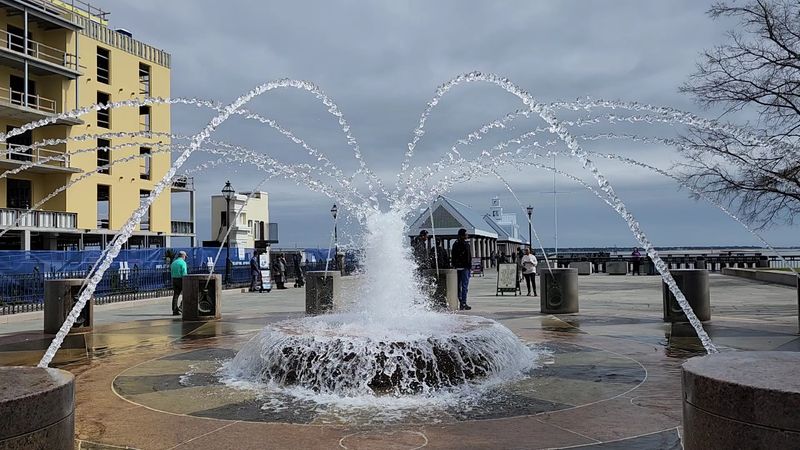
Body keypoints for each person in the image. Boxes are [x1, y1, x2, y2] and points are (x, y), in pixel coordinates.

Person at [451, 228, 472, 310]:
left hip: (457, 267)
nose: (467, 235)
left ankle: (461, 301)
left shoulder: (455, 244)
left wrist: (454, 265)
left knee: (458, 286)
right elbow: (468, 257)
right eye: (466, 234)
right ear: (462, 235)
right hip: (465, 268)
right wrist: (469, 266)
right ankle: (463, 302)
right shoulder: (466, 244)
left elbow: (453, 256)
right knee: (464, 286)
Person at [170, 251, 188, 315]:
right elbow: (184, 273)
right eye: (185, 257)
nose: (185, 258)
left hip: (174, 279)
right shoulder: (183, 263)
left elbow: (171, 271)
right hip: (181, 279)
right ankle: (181, 307)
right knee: (186, 294)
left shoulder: (173, 262)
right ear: (183, 256)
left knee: (176, 295)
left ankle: (174, 310)